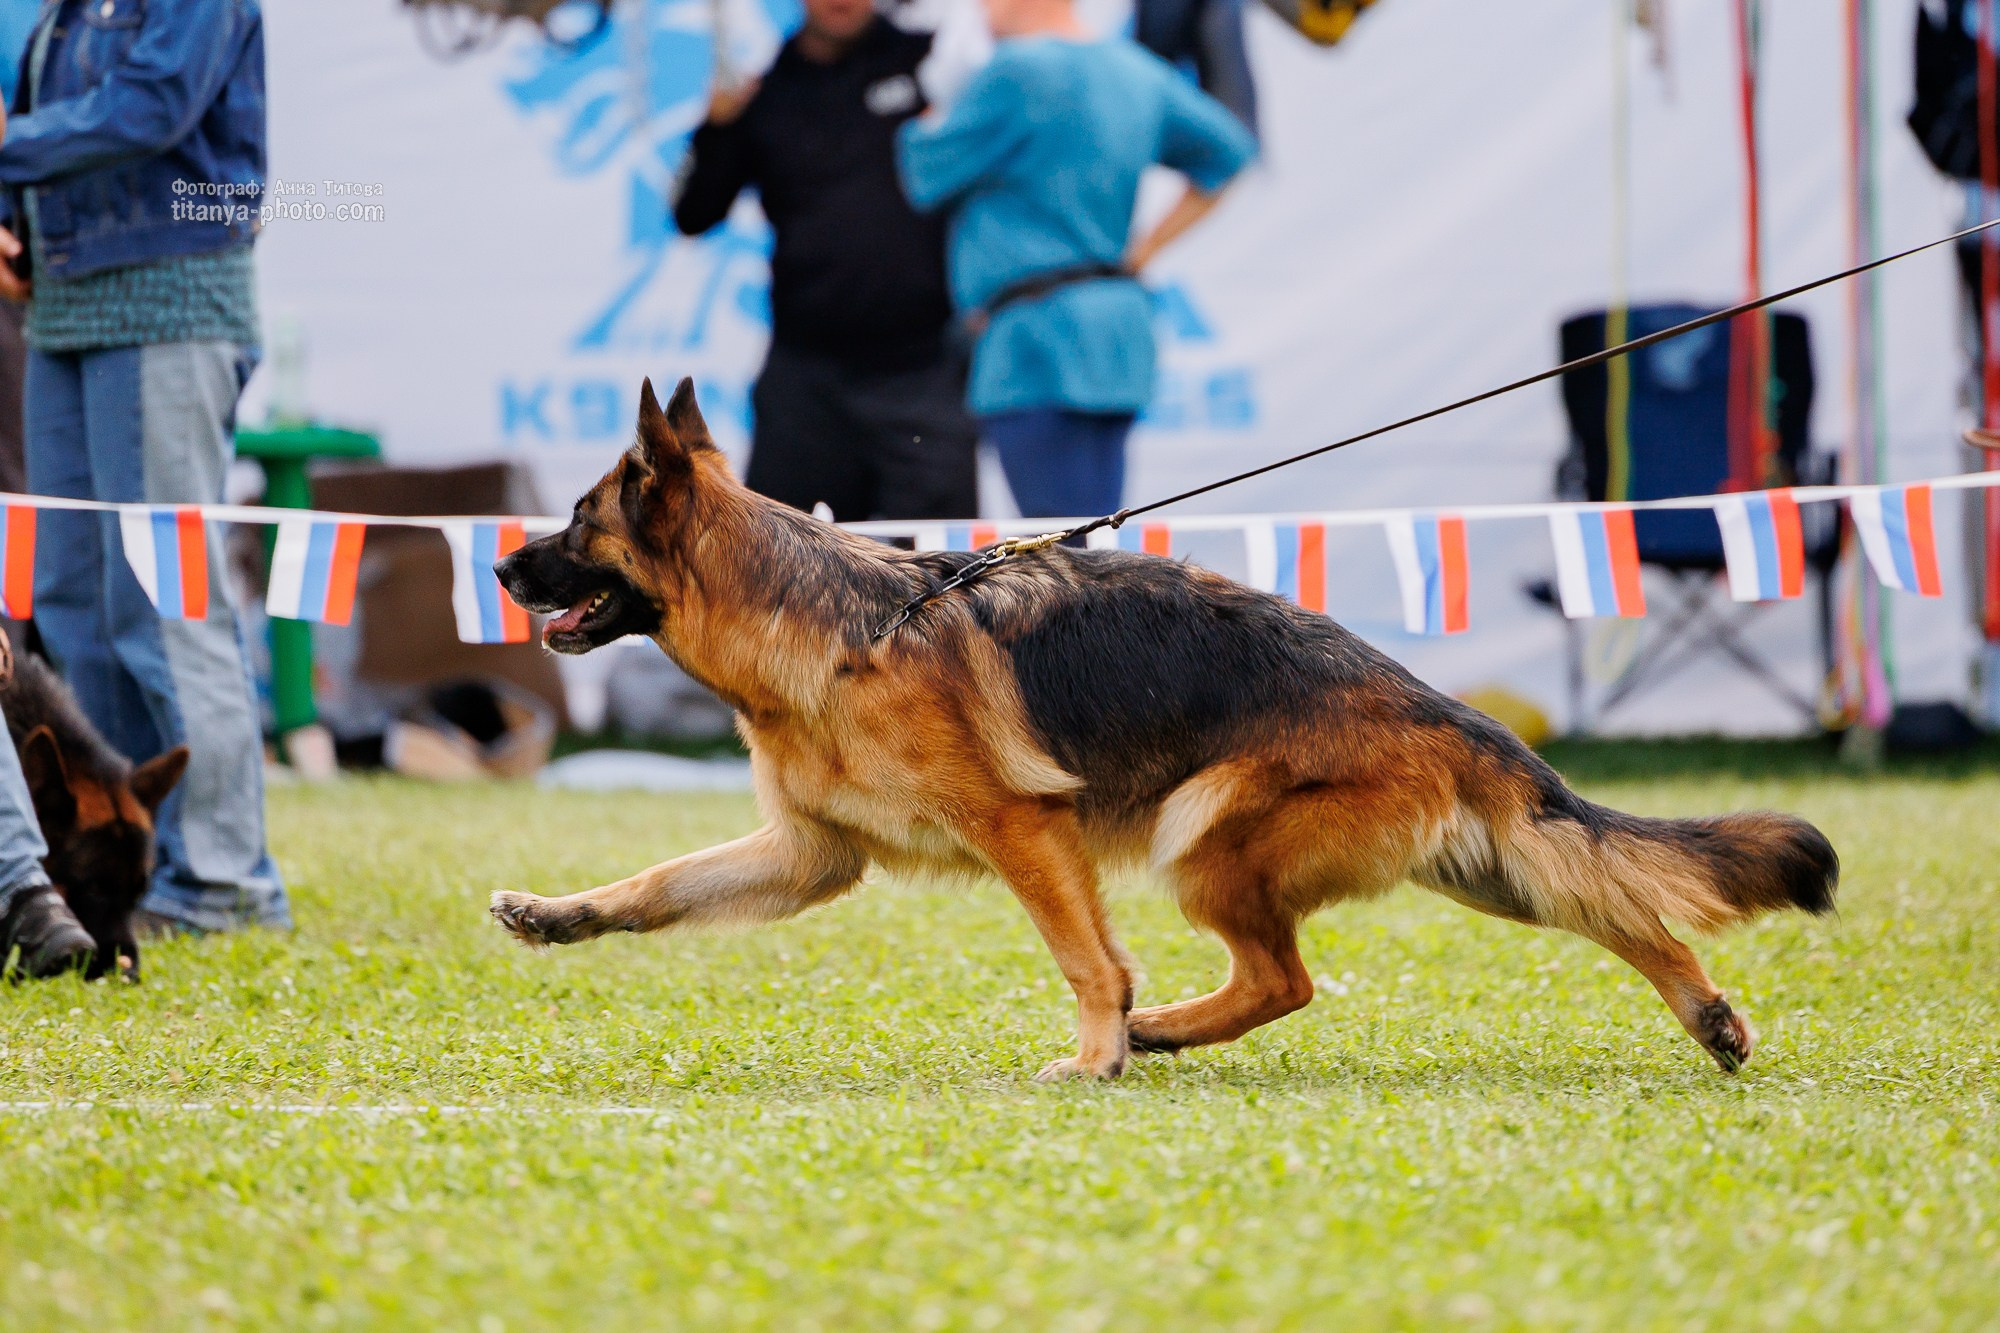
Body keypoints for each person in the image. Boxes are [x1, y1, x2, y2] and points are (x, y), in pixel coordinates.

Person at [0, 0, 287, 934]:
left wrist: (10, 147)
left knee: (164, 602)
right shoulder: (66, 8)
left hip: (174, 300)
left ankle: (221, 883)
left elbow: (151, 105)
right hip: (64, 305)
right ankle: (120, 862)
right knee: (75, 598)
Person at [897, 0, 1256, 518]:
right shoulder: (1134, 70)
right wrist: (1144, 249)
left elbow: (922, 171)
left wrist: (940, 101)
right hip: (1115, 337)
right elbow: (1229, 153)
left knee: (1067, 558)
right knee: (1097, 538)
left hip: (1035, 344)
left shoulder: (1015, 70)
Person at [673, 0, 980, 522]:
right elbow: (694, 213)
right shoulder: (767, 91)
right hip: (806, 379)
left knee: (943, 575)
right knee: (777, 570)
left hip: (922, 371)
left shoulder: (930, 65)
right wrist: (716, 128)